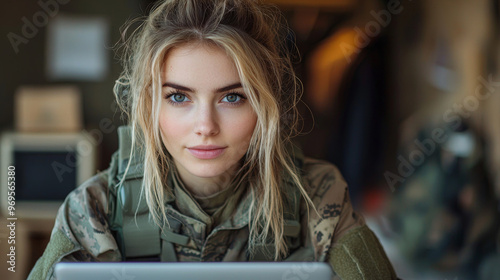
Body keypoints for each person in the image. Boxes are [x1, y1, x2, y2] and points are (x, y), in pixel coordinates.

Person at [28, 0, 397, 279]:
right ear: (148, 105)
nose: (205, 125)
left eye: (232, 97)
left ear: (264, 106)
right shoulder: (95, 209)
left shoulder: (315, 196)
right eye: (178, 97)